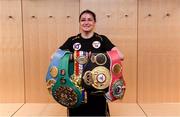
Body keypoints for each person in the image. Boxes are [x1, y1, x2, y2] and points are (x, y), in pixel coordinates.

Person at [59, 9, 124, 116]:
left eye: (90, 20)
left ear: (94, 23)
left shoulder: (102, 39)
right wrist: (76, 56)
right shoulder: (72, 40)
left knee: (97, 112)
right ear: (79, 23)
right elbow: (54, 57)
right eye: (83, 20)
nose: (86, 22)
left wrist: (97, 57)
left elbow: (121, 56)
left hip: (98, 86)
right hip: (77, 86)